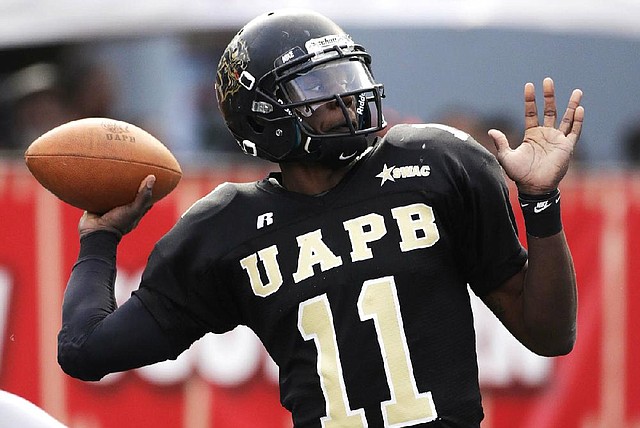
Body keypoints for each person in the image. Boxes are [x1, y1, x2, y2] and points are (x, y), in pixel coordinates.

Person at [57, 9, 583, 428]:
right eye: (317, 87)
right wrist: (100, 241)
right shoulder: (224, 229)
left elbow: (551, 334)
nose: (346, 99)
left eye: (345, 75)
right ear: (261, 114)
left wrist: (540, 203)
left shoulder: (437, 164)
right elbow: (84, 350)